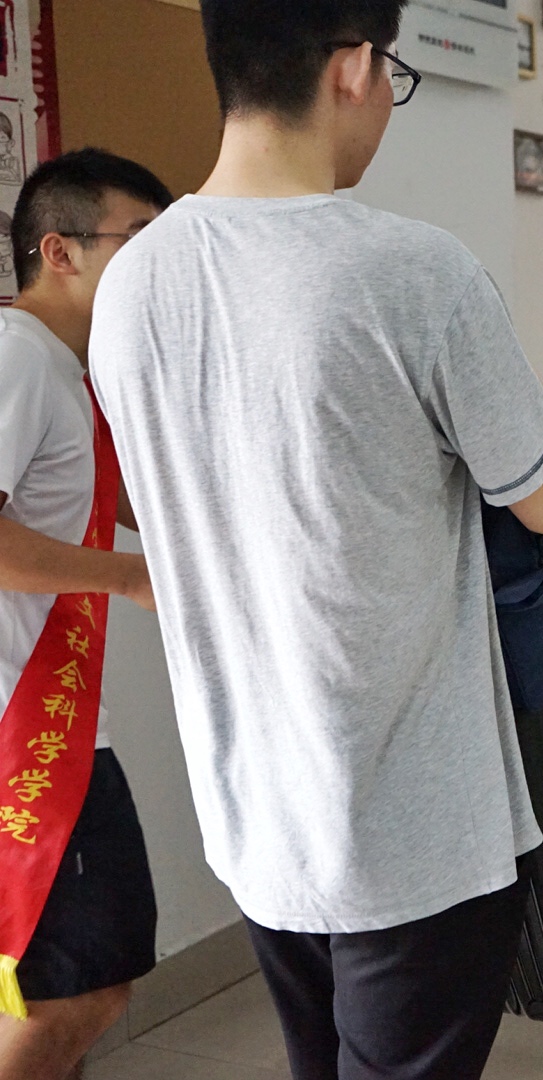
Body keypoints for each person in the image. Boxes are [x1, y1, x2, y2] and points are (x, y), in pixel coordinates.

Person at [87, 2, 543, 1077]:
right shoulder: (413, 271)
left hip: (257, 814)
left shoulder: (129, 283)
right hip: (410, 831)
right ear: (355, 66)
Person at [0, 149, 169, 1080]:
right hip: (21, 731)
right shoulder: (18, 356)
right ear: (58, 250)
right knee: (83, 982)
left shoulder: (66, 370)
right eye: (137, 242)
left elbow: (123, 497)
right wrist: (130, 578)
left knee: (64, 977)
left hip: (49, 719)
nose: (156, 268)